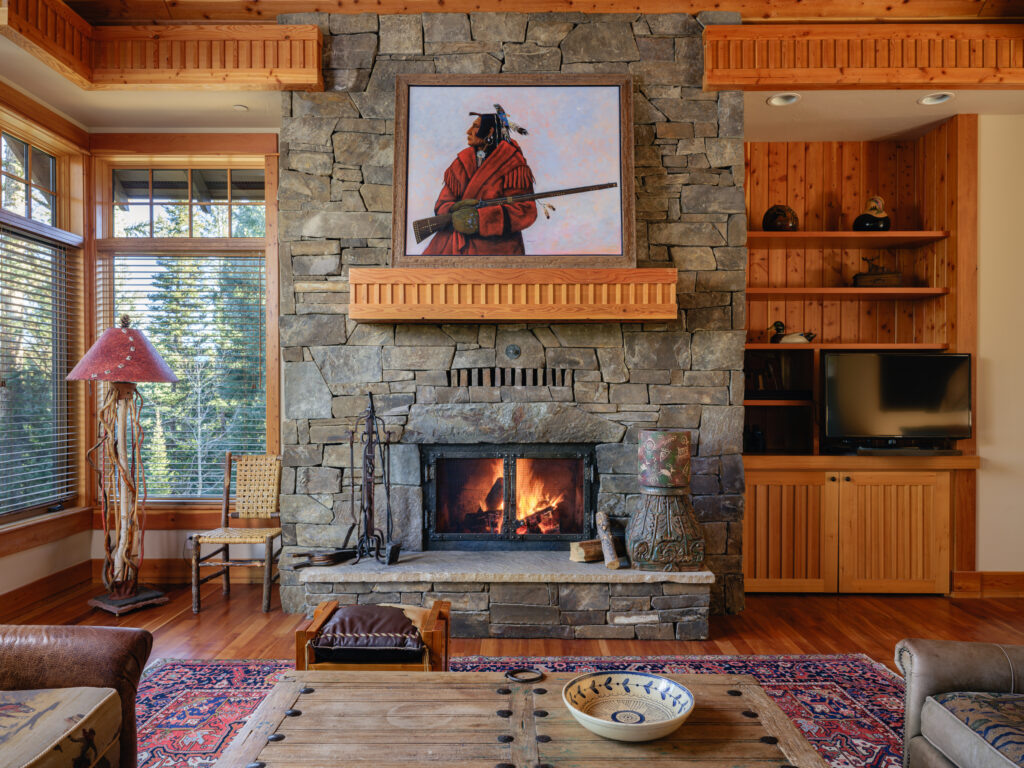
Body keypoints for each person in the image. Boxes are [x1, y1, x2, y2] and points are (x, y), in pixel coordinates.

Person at [422, 106, 538, 256]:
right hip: (456, 245)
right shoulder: (461, 162)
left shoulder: (513, 163)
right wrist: (454, 210)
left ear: (489, 131)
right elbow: (442, 204)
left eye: (475, 126)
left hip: (496, 250)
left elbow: (525, 211)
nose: (468, 131)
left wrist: (480, 220)